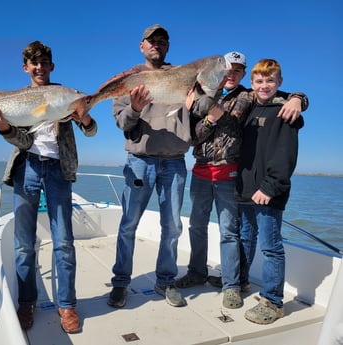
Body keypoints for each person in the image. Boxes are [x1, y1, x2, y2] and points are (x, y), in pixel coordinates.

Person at [0, 40, 97, 333]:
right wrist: (5, 128)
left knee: (64, 241)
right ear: (26, 68)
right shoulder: (17, 98)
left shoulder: (67, 95)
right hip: (27, 167)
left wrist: (83, 115)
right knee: (23, 244)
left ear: (52, 66)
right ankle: (26, 303)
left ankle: (67, 305)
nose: (40, 67)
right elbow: (24, 142)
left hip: (59, 169)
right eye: (35, 63)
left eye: (45, 63)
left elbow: (92, 130)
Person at [175, 52, 308, 310]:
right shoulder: (204, 95)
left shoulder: (248, 96)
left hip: (230, 174)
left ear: (243, 74)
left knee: (230, 233)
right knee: (197, 226)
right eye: (227, 69)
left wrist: (299, 99)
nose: (231, 74)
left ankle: (233, 285)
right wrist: (210, 116)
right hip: (202, 171)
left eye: (237, 70)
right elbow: (194, 138)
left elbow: (279, 95)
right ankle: (197, 272)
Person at [107, 24, 191, 309]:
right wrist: (135, 107)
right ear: (141, 46)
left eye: (162, 40)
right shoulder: (128, 79)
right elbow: (121, 122)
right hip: (140, 162)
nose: (156, 44)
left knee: (173, 226)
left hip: (176, 162)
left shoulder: (185, 77)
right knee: (128, 224)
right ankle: (120, 283)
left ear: (167, 46)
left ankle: (166, 280)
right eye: (151, 41)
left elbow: (205, 104)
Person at [237, 58, 304, 324]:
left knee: (271, 247)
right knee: (244, 239)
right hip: (244, 189)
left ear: (280, 82)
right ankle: (241, 281)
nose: (265, 85)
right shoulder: (249, 110)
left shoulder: (286, 111)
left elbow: (285, 155)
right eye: (259, 81)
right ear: (252, 84)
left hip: (268, 192)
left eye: (270, 80)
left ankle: (273, 301)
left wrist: (270, 187)